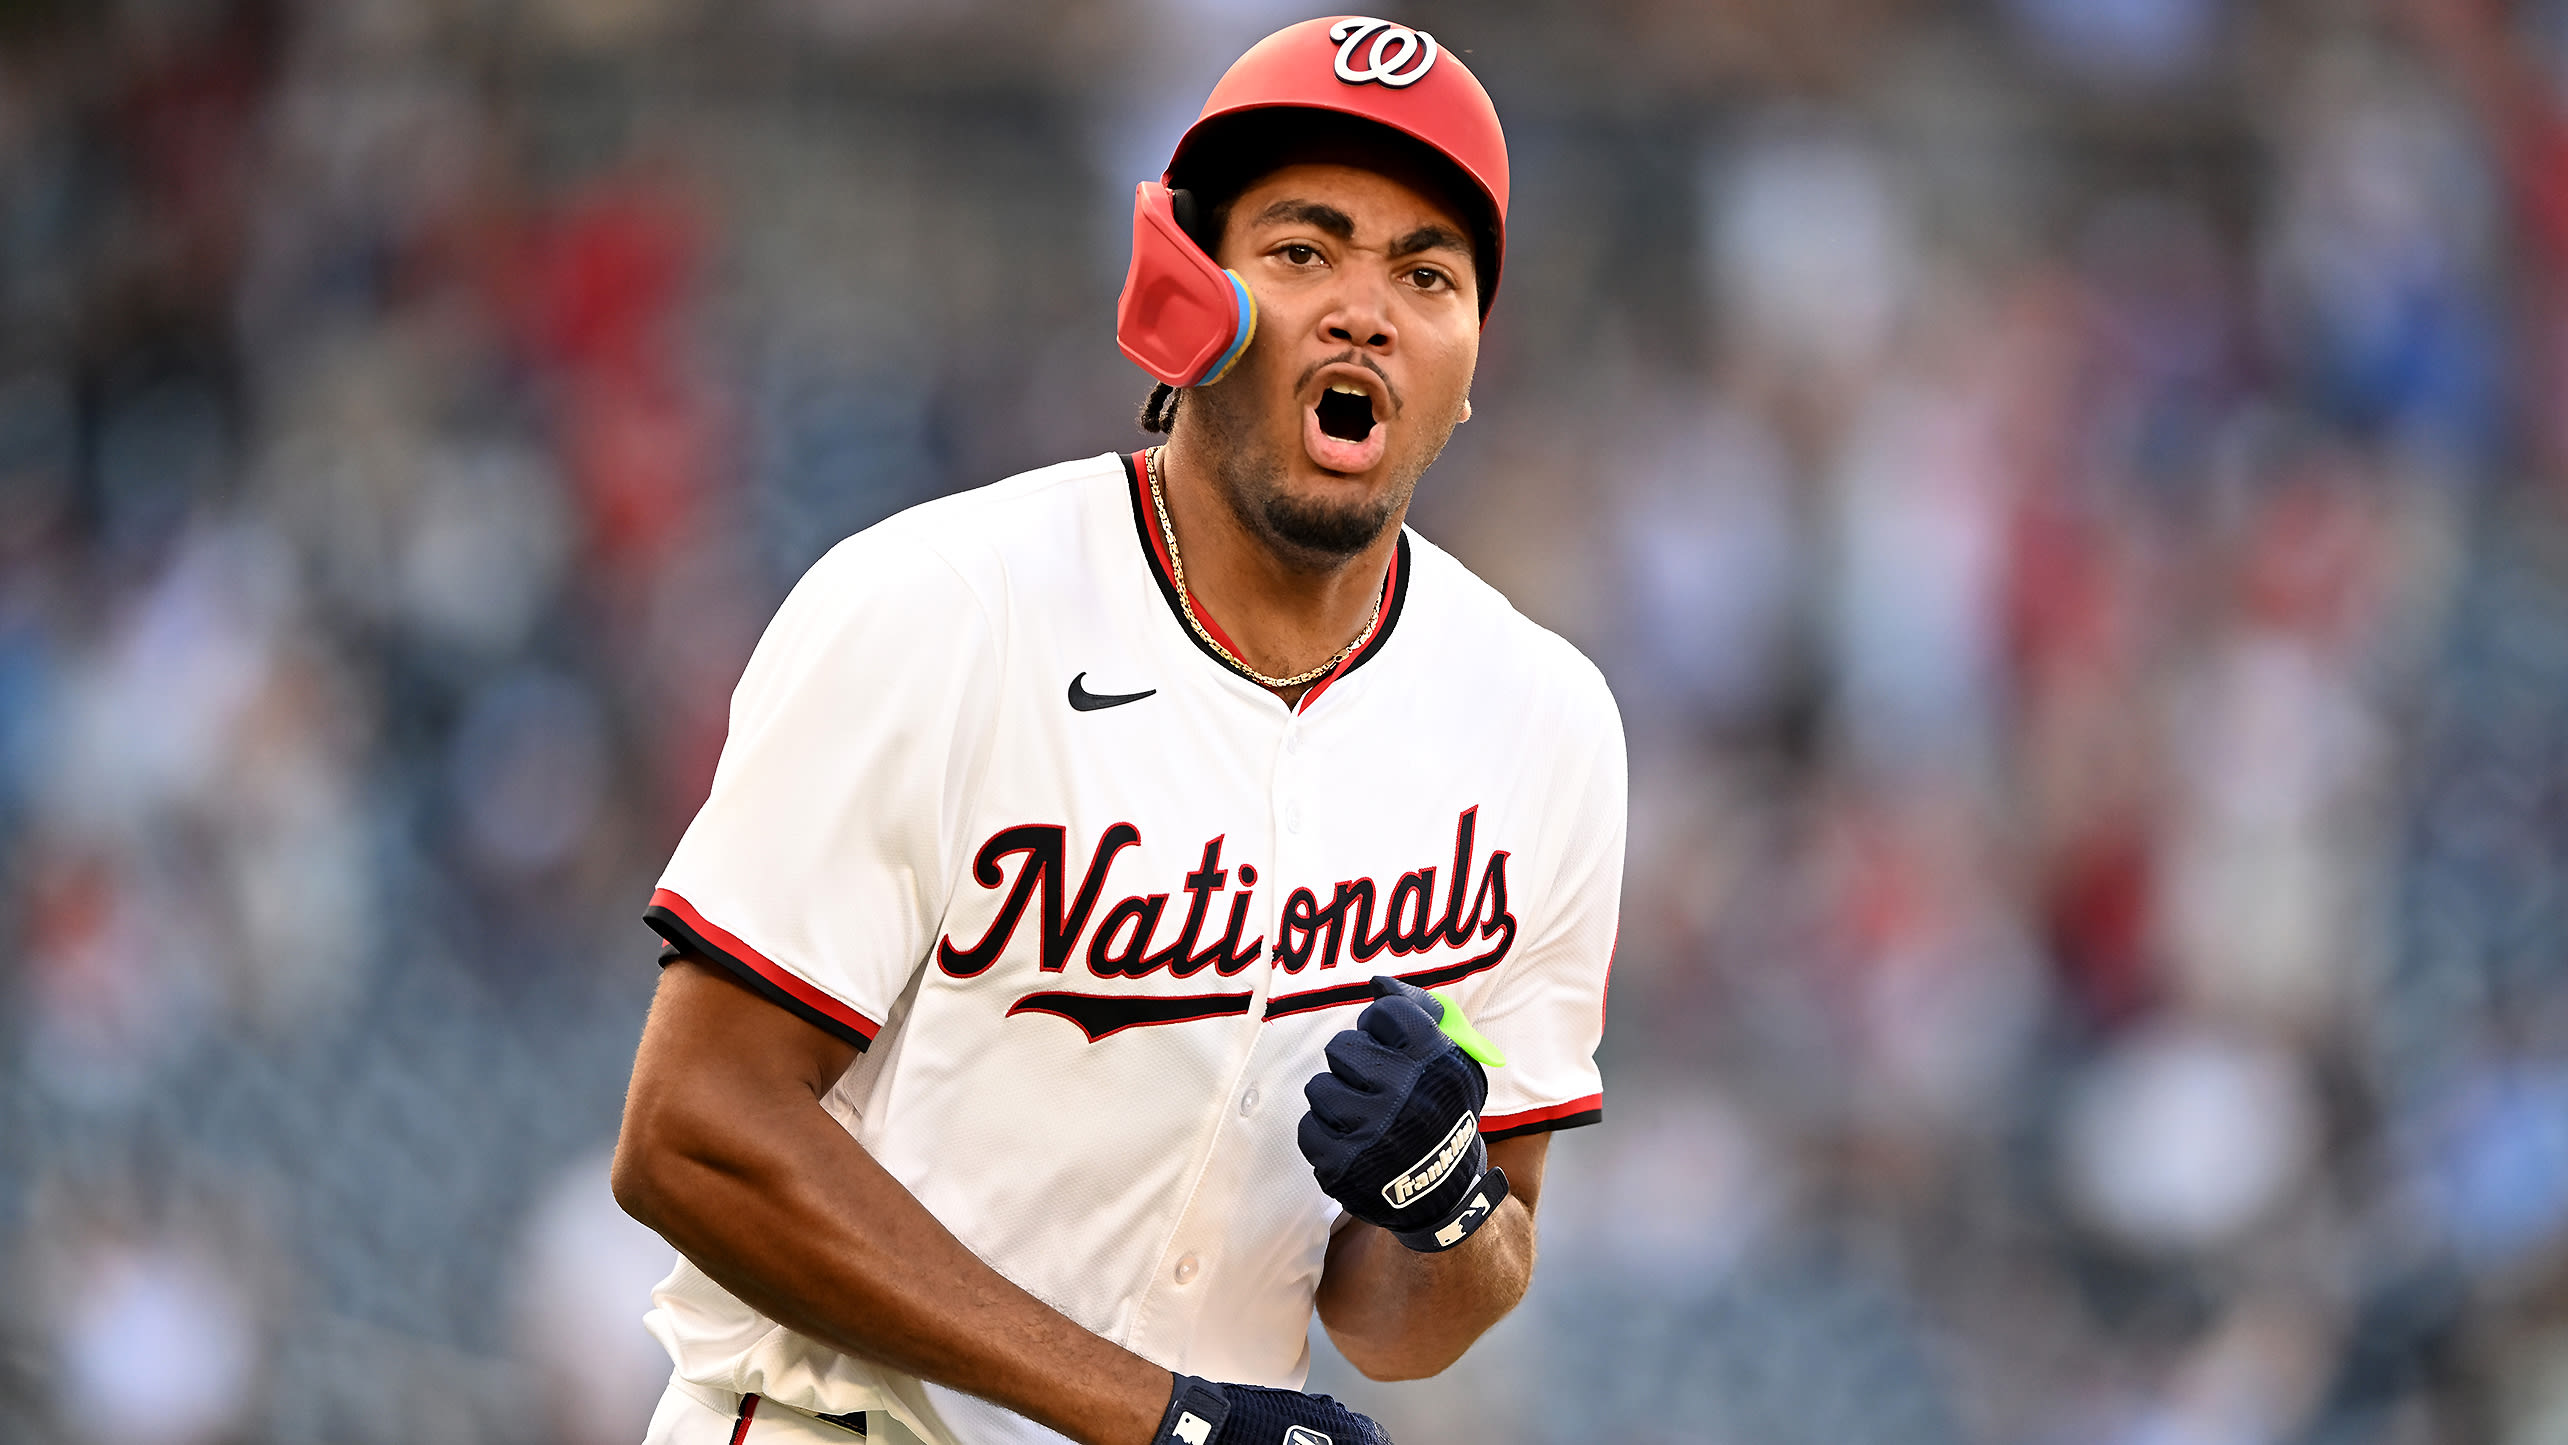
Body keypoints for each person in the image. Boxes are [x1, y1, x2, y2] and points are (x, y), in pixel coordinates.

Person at [611, 17, 1625, 1445]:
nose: (1366, 311)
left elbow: (1402, 1324)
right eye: (1303, 250)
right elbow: (693, 1135)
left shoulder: (1544, 725)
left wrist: (1443, 1197)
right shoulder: (943, 608)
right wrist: (1157, 1418)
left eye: (1426, 274)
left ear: (1469, 363)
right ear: (1182, 293)